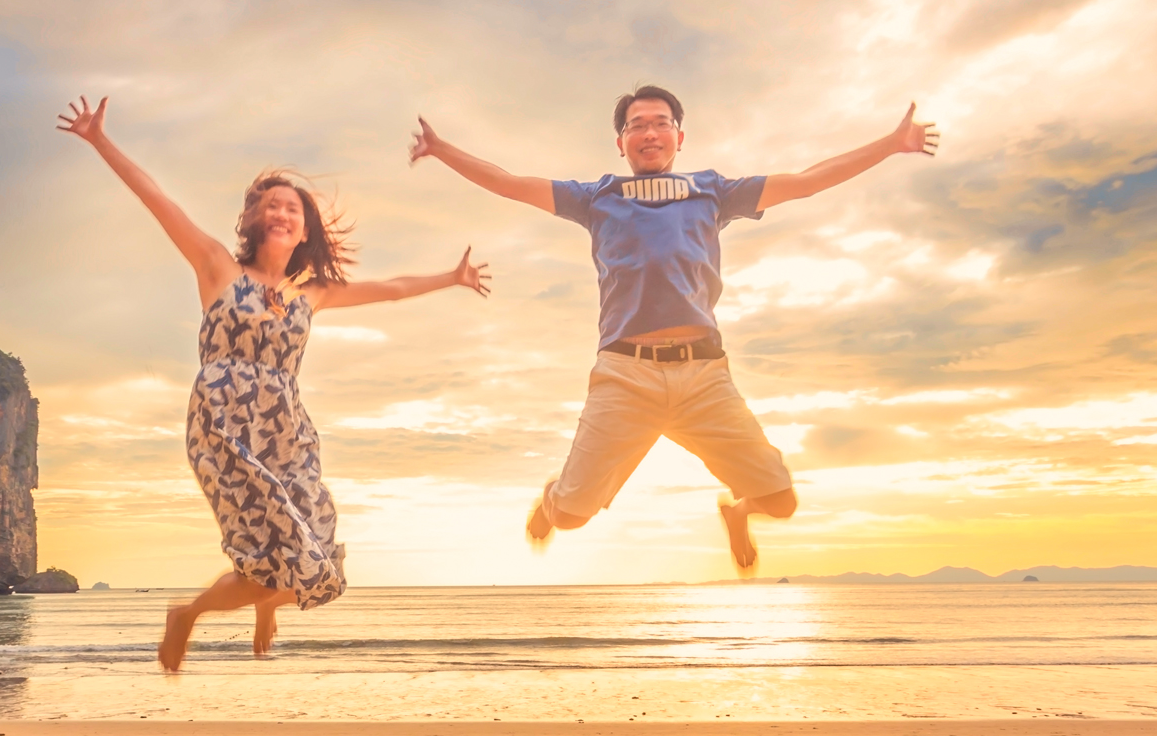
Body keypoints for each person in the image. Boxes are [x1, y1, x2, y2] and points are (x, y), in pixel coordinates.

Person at [408, 85, 937, 571]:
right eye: (637, 125)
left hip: (704, 376)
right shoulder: (597, 197)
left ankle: (736, 513)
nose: (650, 133)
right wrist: (442, 148)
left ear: (679, 136)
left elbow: (806, 182)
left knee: (780, 501)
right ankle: (555, 498)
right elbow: (509, 184)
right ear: (621, 142)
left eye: (661, 123)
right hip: (625, 377)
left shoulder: (713, 192)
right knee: (571, 517)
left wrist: (890, 144)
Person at [60, 95, 491, 670]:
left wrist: (452, 277)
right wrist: (100, 141)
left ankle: (261, 607)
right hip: (223, 425)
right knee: (261, 563)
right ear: (256, 220)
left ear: (305, 225)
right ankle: (185, 616)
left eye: (293, 208)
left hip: (287, 432)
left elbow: (391, 287)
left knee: (318, 563)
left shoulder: (310, 293)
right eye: (272, 206)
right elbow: (156, 198)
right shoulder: (217, 267)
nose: (283, 213)